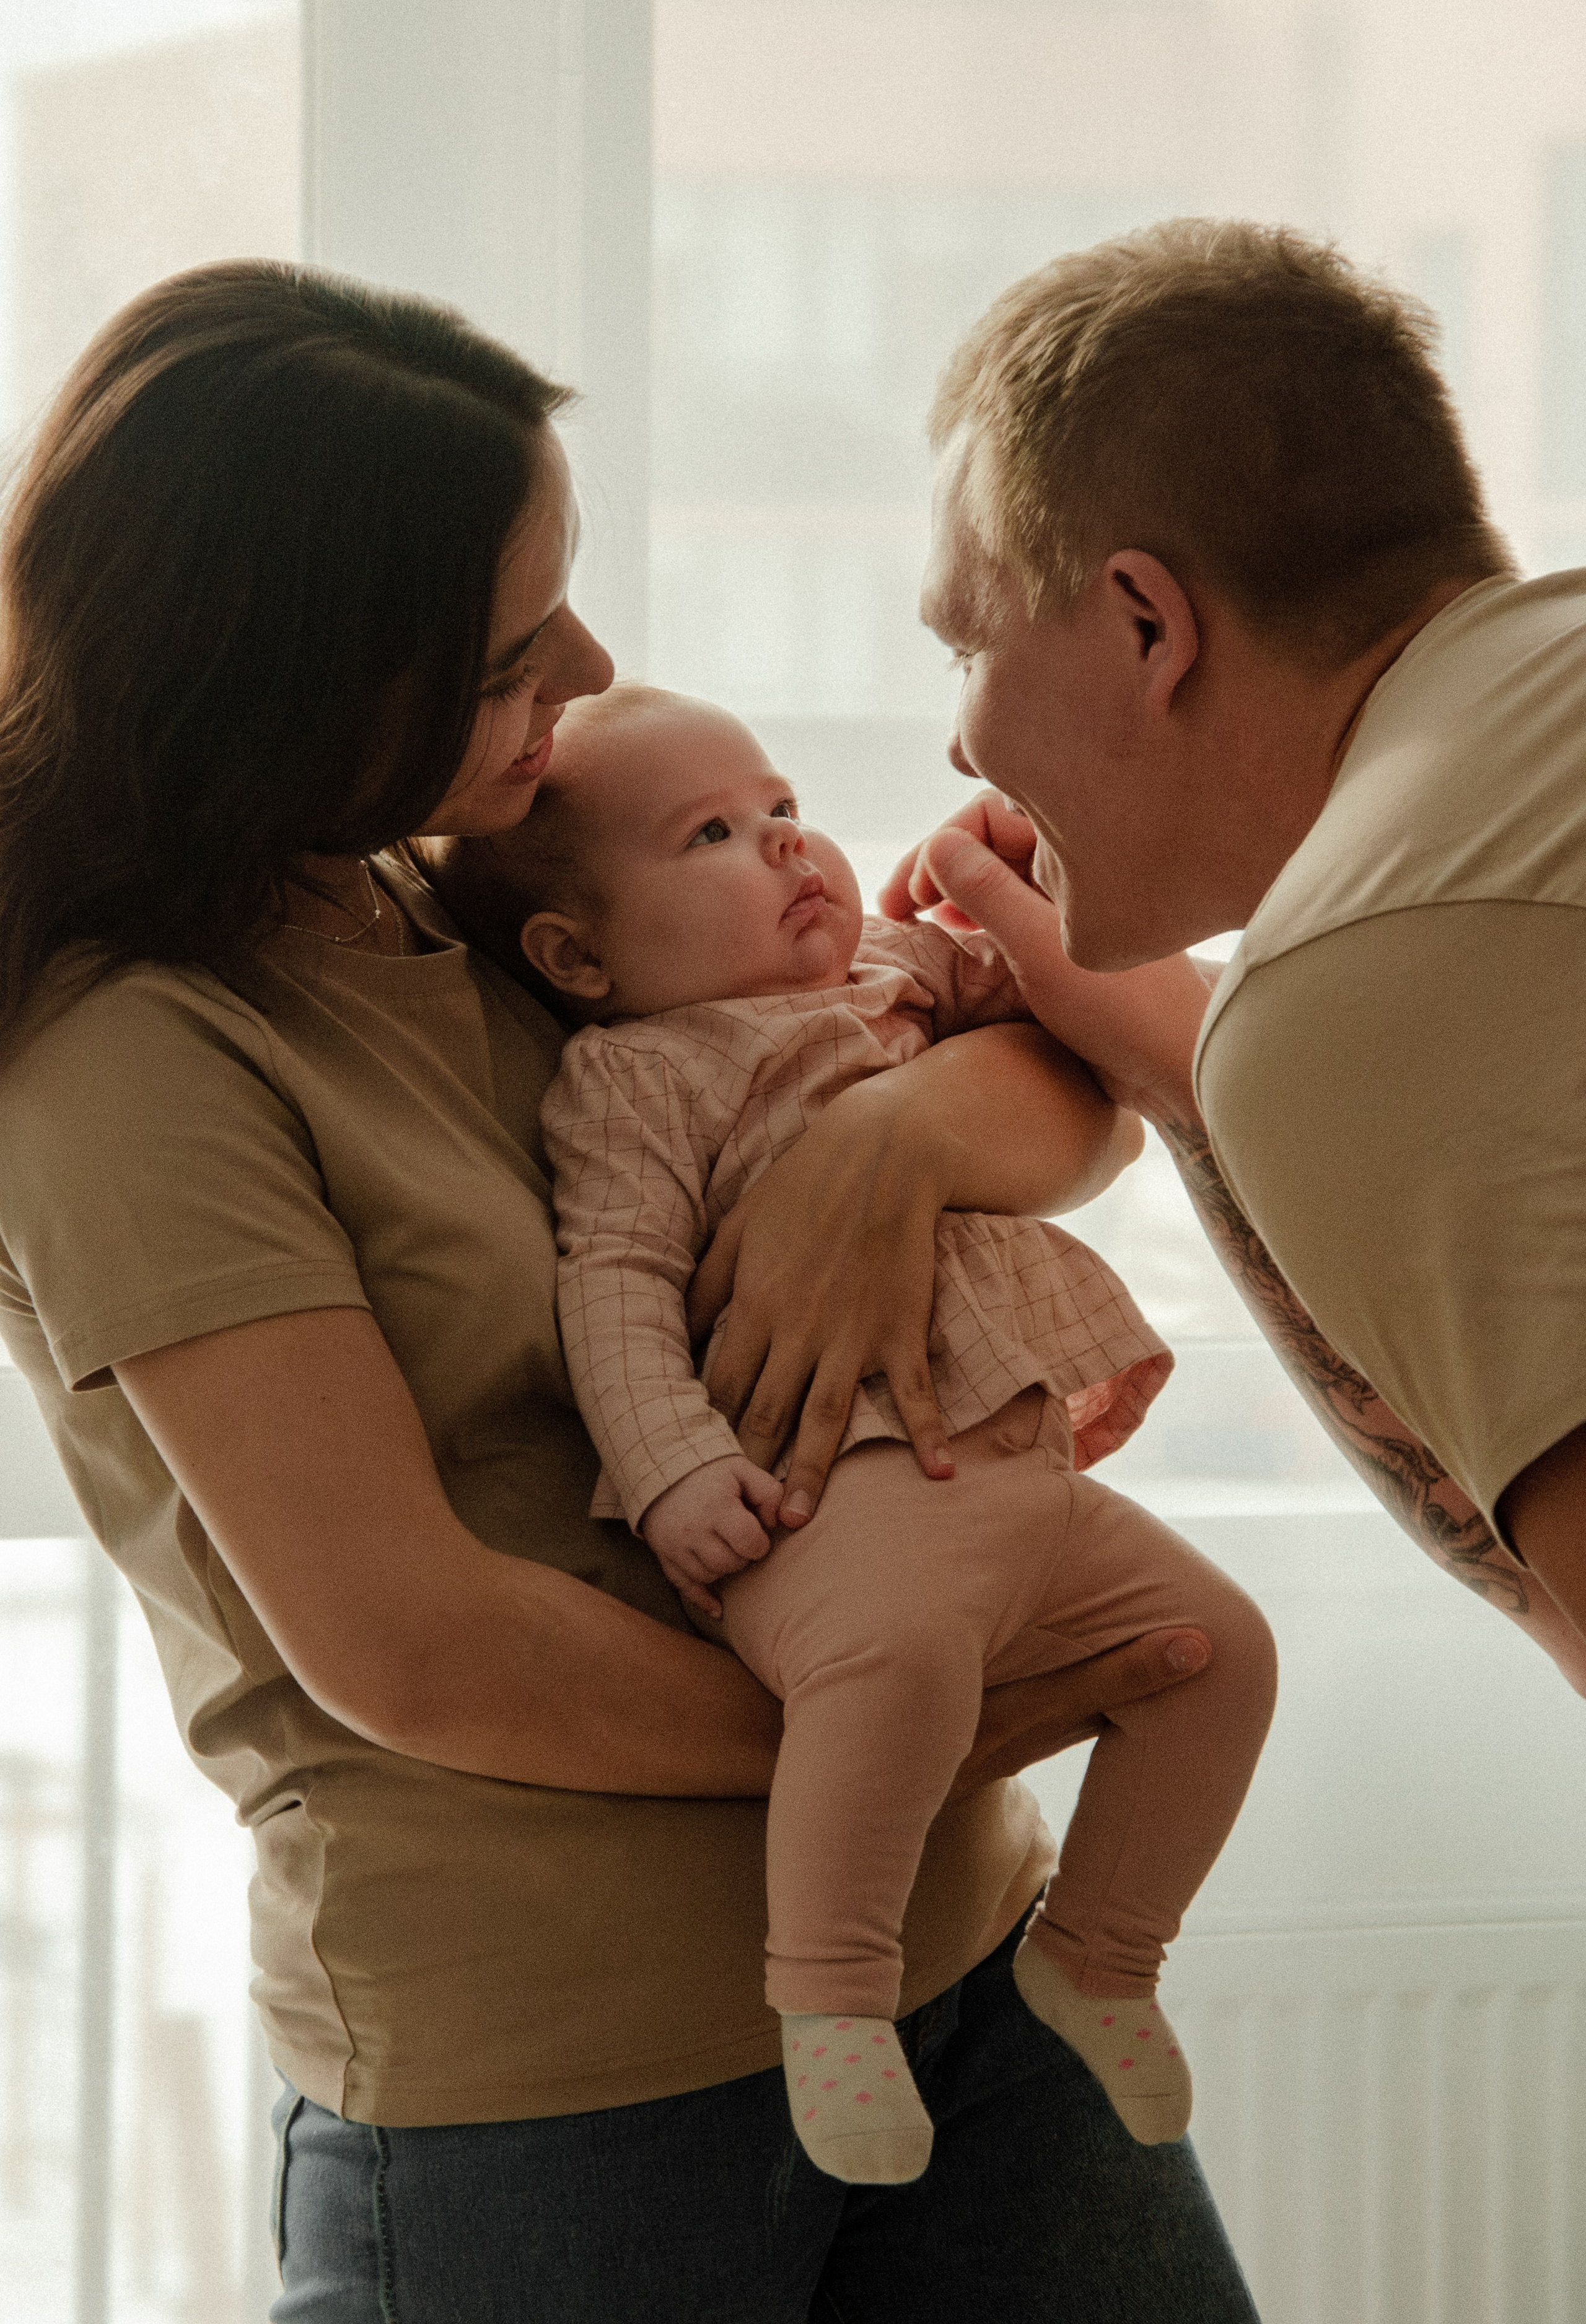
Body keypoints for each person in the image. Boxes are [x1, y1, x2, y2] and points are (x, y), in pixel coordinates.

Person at [0, 259, 1261, 2321]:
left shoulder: (483, 881)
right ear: (294, 677)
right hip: (560, 2083)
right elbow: (418, 1647)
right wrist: (907, 1721)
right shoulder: (134, 1056)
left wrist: (886, 1151)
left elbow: (1068, 1099)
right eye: (513, 650)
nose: (588, 669)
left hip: (969, 1961)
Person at [432, 681, 1278, 2181]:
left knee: (1220, 1652)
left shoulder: (890, 971)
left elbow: (1069, 1017)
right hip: (835, 1500)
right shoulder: (635, 1077)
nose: (783, 842)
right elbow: (611, 1283)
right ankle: (829, 2000)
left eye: (779, 806)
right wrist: (675, 1465)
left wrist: (1019, 875)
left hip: (1012, 1475)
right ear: (578, 956)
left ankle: (1097, 1951)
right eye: (710, 834)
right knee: (892, 1668)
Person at [886, 214, 1586, 1697]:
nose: (959, 744)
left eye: (966, 646)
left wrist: (1251, 1051)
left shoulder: (1360, 975)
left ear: (1147, 623)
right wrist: (1189, 1076)